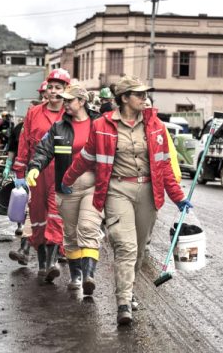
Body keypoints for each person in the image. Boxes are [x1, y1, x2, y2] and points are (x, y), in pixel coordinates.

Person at [62, 75, 192, 325]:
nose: (144, 98)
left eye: (145, 94)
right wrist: (67, 180)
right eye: (139, 94)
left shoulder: (155, 126)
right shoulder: (101, 125)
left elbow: (163, 165)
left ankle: (129, 290)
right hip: (117, 190)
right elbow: (86, 158)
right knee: (126, 246)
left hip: (147, 192)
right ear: (124, 98)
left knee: (140, 249)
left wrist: (178, 197)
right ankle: (123, 302)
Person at [25, 84, 102, 291]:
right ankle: (76, 276)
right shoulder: (59, 127)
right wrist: (34, 167)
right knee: (69, 234)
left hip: (92, 185)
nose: (65, 104)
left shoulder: (99, 124)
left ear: (82, 102)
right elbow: (43, 150)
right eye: (64, 100)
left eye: (69, 100)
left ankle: (89, 276)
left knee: (87, 228)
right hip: (66, 186)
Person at [9, 69, 69, 280]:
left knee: (55, 214)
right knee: (37, 217)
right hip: (37, 171)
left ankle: (53, 261)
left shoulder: (71, 114)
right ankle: (43, 265)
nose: (53, 92)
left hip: (62, 170)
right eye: (50, 87)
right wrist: (19, 172)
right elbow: (24, 142)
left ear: (66, 90)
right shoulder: (34, 112)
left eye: (58, 88)